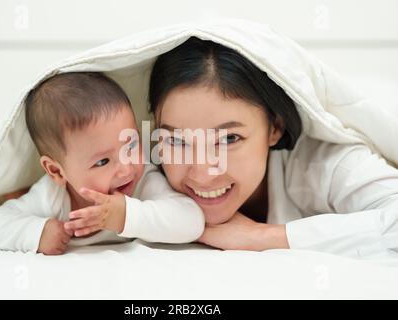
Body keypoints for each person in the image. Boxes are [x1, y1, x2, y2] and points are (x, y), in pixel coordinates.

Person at [148, 37, 398, 259]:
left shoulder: (325, 162)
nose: (202, 173)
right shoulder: (132, 169)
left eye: (228, 139)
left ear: (275, 127)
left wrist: (260, 236)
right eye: (177, 141)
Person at [0, 72, 204, 255]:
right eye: (103, 161)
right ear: (57, 171)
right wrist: (38, 232)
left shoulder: (143, 179)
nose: (126, 168)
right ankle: (17, 192)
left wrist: (127, 215)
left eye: (131, 145)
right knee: (19, 200)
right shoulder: (52, 196)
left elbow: (191, 219)